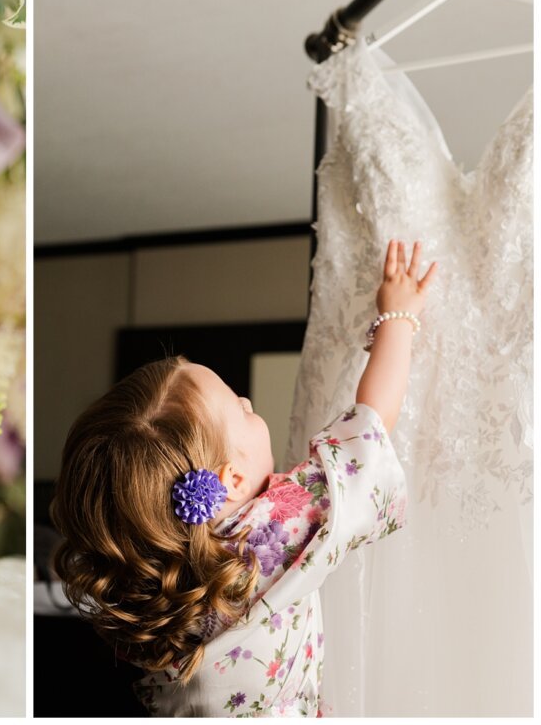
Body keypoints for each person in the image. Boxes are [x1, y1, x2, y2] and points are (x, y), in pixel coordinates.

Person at [51, 240, 438, 716]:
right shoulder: (271, 533)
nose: (251, 405)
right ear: (229, 481)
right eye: (240, 406)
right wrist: (397, 318)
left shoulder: (143, 586)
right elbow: (370, 428)